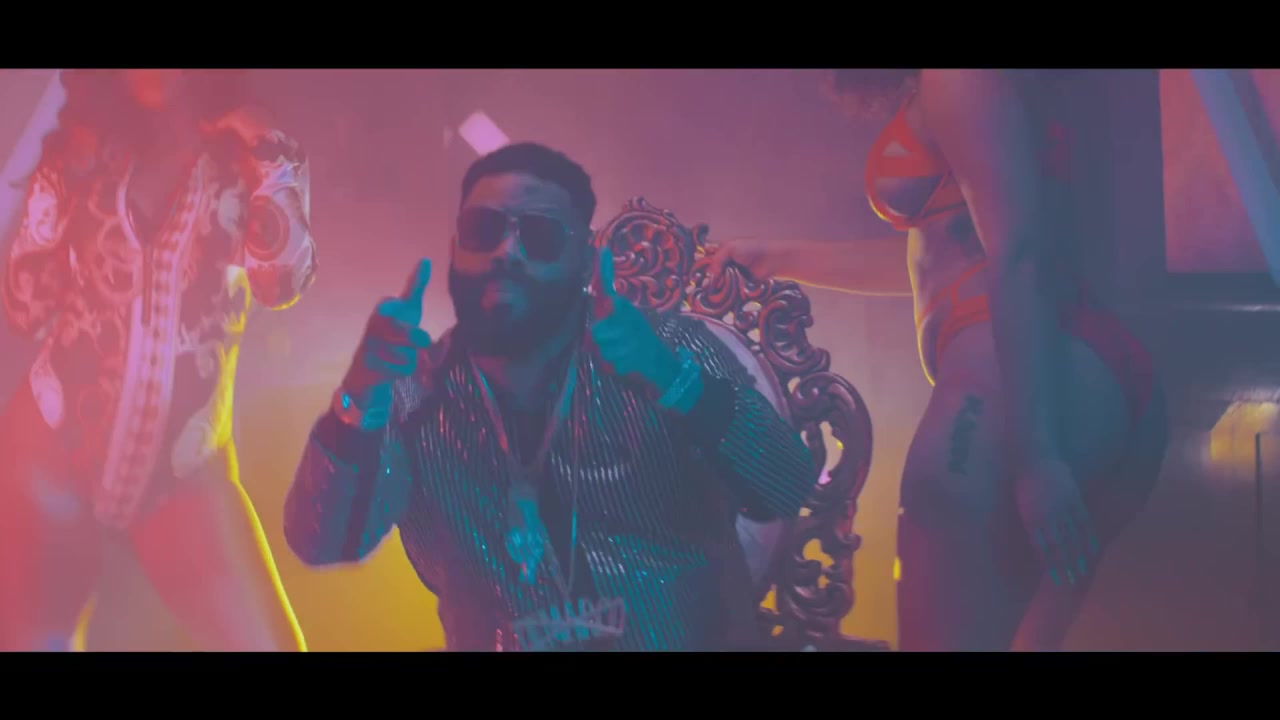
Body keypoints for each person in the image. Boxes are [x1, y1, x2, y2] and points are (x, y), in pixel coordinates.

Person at [284, 142, 814, 651]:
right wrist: (358, 403)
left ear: (584, 261)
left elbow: (787, 483)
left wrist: (672, 380)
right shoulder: (414, 395)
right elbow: (322, 541)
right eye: (483, 229)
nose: (506, 252)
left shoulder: (669, 348)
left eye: (538, 235)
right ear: (456, 252)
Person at [706, 70, 1168, 651]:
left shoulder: (956, 76)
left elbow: (1016, 254)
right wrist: (776, 257)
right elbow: (939, 255)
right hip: (1076, 374)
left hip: (1005, 382)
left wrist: (1039, 457)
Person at [0, 69, 315, 651]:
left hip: (186, 473)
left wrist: (269, 150)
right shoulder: (85, 150)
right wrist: (55, 185)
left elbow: (282, 282)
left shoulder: (246, 160)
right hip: (53, 449)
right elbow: (23, 308)